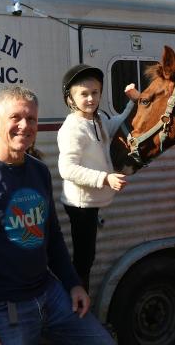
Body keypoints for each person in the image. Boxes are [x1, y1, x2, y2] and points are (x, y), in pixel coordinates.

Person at [0, 86, 115, 345]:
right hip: (5, 307)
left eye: (32, 119)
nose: (25, 126)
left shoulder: (39, 171)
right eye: (16, 117)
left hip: (50, 293)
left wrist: (72, 283)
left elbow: (53, 237)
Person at [58, 64, 140, 291]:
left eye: (95, 93)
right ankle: (77, 300)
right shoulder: (73, 128)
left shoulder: (98, 119)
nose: (91, 99)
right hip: (80, 204)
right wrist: (105, 178)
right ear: (70, 99)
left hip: (92, 202)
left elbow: (119, 124)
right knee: (84, 259)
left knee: (87, 256)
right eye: (83, 94)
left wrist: (133, 102)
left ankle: (78, 296)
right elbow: (67, 169)